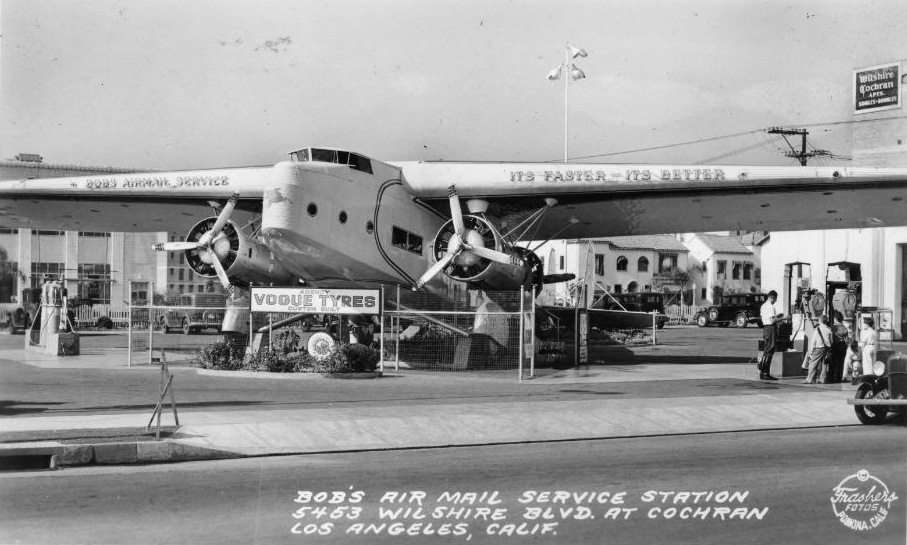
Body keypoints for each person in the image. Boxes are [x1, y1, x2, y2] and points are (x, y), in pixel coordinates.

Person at [757, 290, 785, 380]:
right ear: (772, 297)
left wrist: (778, 316)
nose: (775, 301)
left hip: (765, 328)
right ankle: (766, 372)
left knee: (766, 349)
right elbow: (772, 320)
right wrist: (784, 318)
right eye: (775, 299)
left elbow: (767, 318)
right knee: (770, 350)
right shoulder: (770, 306)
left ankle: (762, 371)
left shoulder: (763, 306)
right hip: (770, 328)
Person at [802, 314, 832, 384]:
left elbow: (813, 341)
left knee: (813, 363)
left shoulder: (817, 329)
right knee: (824, 364)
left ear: (820, 321)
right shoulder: (829, 330)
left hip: (818, 348)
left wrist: (810, 351)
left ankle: (810, 379)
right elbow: (831, 341)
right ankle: (823, 379)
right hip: (826, 348)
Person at [829, 311, 849, 383]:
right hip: (843, 345)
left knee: (833, 362)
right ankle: (839, 378)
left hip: (835, 345)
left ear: (835, 318)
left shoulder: (834, 327)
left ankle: (831, 377)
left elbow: (830, 337)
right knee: (841, 363)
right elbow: (847, 339)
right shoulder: (844, 327)